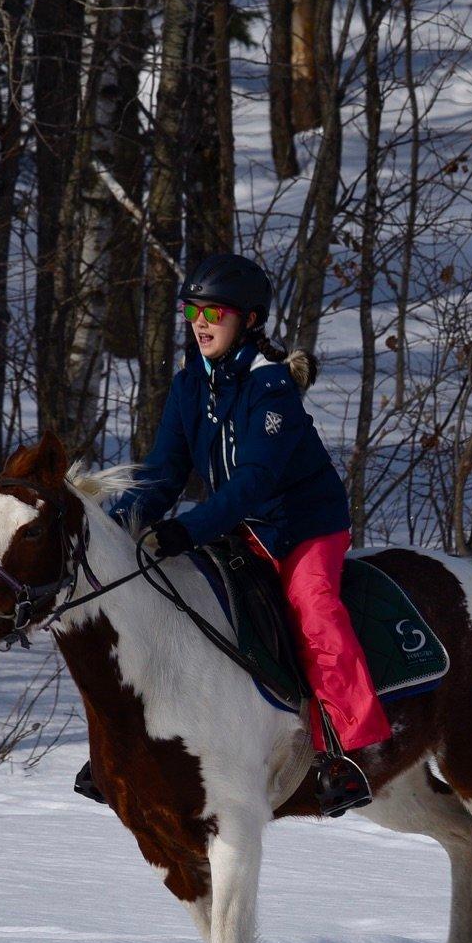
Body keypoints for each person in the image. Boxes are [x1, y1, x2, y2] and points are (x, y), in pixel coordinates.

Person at [106, 252, 389, 818]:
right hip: (240, 527)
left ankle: (349, 751)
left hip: (305, 526)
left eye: (215, 311)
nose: (200, 322)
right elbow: (163, 473)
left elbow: (256, 483)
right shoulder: (191, 386)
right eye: (192, 310)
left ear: (250, 320)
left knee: (312, 606)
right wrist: (114, 529)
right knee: (169, 596)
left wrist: (189, 528)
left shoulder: (270, 388)